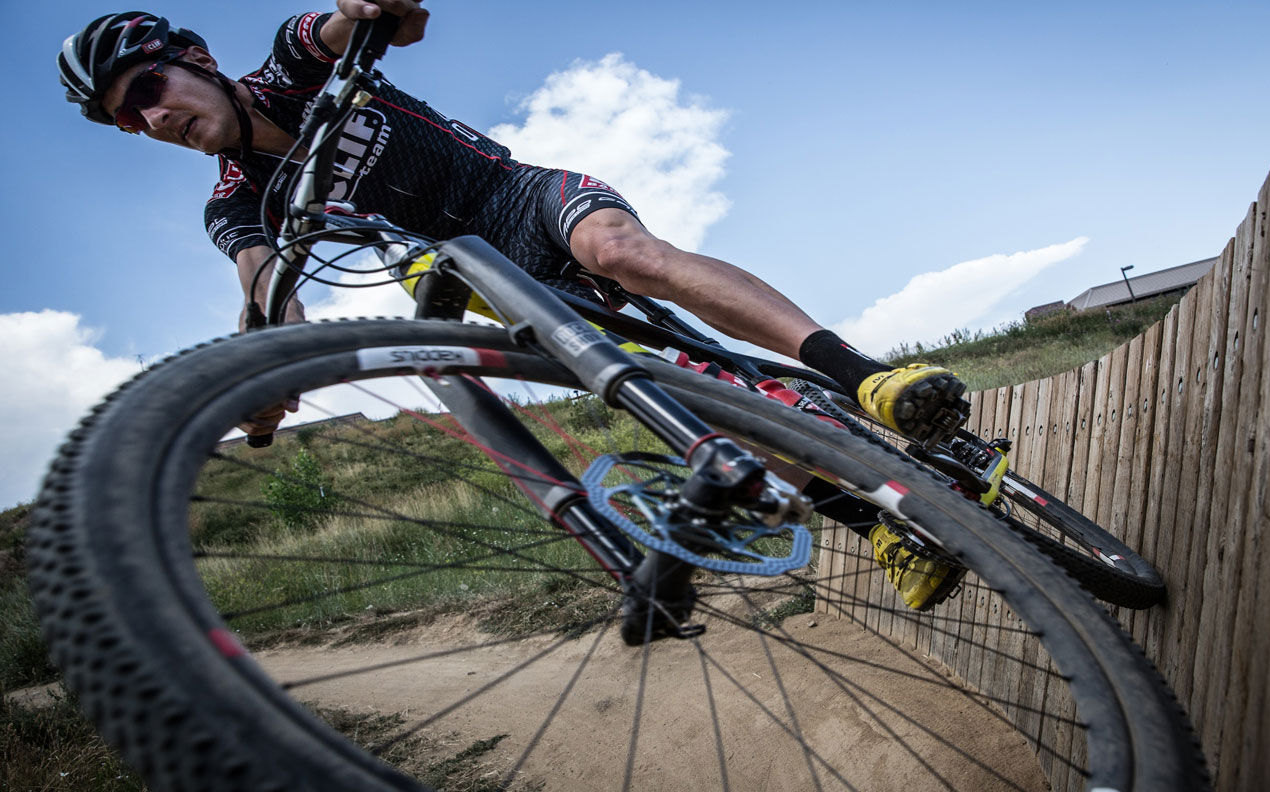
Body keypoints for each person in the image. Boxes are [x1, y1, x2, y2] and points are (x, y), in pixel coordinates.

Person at [58, 1, 965, 611]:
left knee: (624, 251)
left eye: (148, 91)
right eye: (128, 121)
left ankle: (869, 378)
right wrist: (260, 373)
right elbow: (268, 297)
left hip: (519, 197)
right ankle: (878, 528)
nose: (152, 120)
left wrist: (373, 10)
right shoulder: (234, 201)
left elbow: (362, 20)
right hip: (485, 274)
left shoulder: (292, 65)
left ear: (193, 59)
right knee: (684, 396)